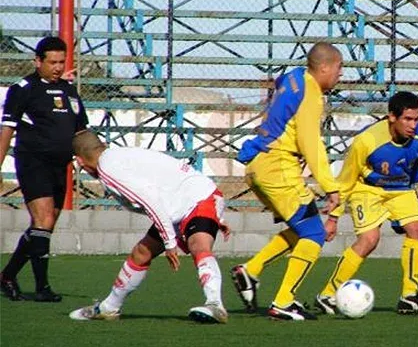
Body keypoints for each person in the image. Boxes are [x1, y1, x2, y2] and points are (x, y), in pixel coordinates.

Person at [68, 130, 230, 323]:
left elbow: (150, 201)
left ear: (80, 160)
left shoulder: (108, 169)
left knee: (199, 245)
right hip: (182, 204)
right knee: (141, 253)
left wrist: (170, 243)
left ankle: (215, 305)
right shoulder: (115, 158)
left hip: (198, 199)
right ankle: (109, 308)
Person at [230, 42, 342, 321]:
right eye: (339, 68)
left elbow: (281, 91)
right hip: (277, 166)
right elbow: (311, 143)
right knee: (314, 233)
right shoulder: (312, 94)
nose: (341, 75)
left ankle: (251, 270)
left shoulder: (294, 77)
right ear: (325, 67)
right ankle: (283, 301)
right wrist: (331, 186)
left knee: (303, 227)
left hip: (260, 164)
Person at [314, 91, 418, 316]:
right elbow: (346, 180)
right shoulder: (366, 141)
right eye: (407, 119)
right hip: (367, 189)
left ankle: (409, 296)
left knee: (417, 228)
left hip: (401, 189)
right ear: (391, 117)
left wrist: (409, 197)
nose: (413, 125)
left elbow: (413, 164)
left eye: (416, 119)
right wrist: (333, 219)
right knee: (369, 240)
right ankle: (327, 294)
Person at [0, 36, 88, 302]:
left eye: (62, 62)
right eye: (52, 62)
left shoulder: (69, 91)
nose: (58, 67)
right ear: (37, 61)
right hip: (33, 162)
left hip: (60, 166)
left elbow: (81, 130)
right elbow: (7, 130)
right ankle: (42, 288)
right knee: (42, 221)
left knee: (45, 226)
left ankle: (6, 276)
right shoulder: (23, 89)